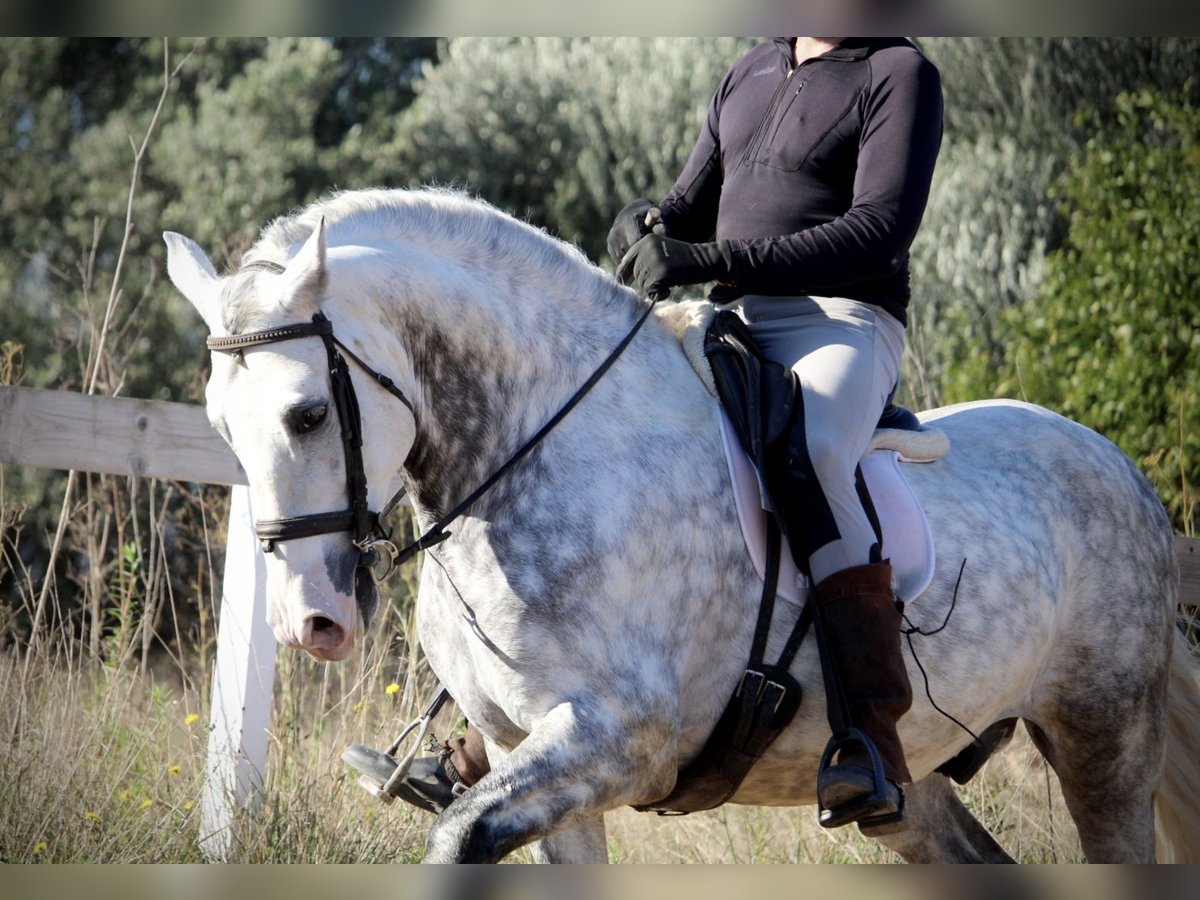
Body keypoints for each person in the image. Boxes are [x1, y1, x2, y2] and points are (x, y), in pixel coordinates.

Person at [364, 36, 943, 829]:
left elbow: (878, 229)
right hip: (733, 316)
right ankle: (482, 732)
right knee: (605, 441)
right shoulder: (754, 66)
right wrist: (648, 225)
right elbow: (690, 200)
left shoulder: (897, 72)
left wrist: (711, 253)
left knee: (812, 451)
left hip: (839, 323)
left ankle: (869, 738)